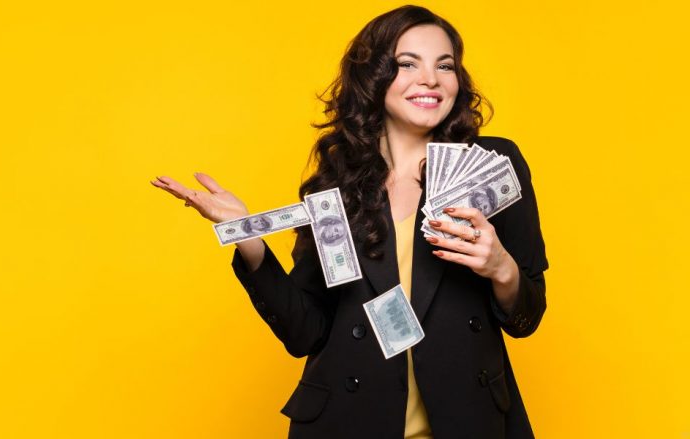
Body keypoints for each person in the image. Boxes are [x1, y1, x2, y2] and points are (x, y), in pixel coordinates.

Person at [151, 5, 547, 438]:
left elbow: (527, 315)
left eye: (444, 65)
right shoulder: (338, 183)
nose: (430, 79)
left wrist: (500, 268)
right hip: (350, 421)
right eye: (406, 64)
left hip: (466, 419)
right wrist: (248, 234)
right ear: (375, 76)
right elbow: (306, 332)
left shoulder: (491, 164)